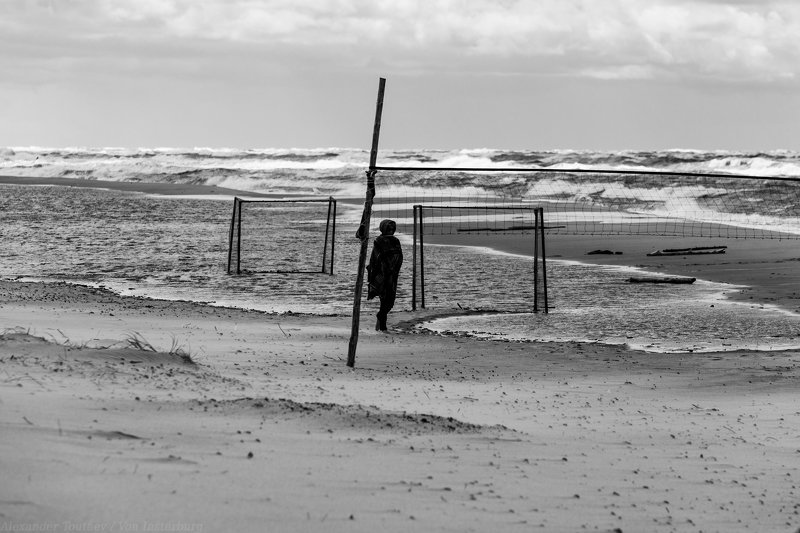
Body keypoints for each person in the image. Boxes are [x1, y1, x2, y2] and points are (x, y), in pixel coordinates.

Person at [367, 219, 403, 331]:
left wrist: (395, 267)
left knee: (390, 301)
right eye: (389, 228)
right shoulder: (379, 241)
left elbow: (400, 256)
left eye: (393, 228)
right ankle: (382, 326)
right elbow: (375, 258)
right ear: (383, 228)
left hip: (393, 274)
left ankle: (381, 318)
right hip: (382, 273)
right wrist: (375, 272)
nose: (391, 230)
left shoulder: (396, 241)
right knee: (384, 298)